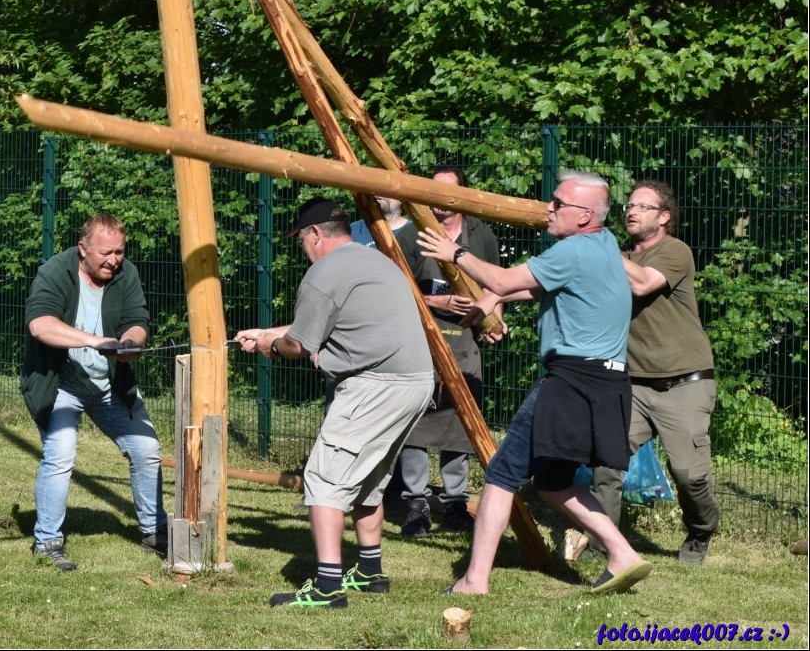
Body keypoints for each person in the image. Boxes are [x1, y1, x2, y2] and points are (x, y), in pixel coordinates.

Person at [417, 170, 653, 595]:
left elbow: (508, 279)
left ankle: (474, 580)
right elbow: (534, 287)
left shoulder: (574, 250)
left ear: (584, 215)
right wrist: (495, 298)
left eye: (558, 203)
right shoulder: (603, 246)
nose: (549, 208)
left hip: (572, 379)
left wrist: (456, 254)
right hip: (607, 380)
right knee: (552, 481)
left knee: (502, 474)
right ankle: (623, 554)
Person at [235, 196, 434, 608]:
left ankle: (328, 588)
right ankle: (369, 571)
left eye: (301, 240)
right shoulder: (374, 261)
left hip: (375, 385)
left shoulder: (323, 273)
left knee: (324, 480)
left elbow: (298, 343)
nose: (303, 249)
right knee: (368, 480)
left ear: (314, 234)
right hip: (416, 382)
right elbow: (317, 324)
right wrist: (266, 332)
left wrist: (272, 346)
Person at [572, 180, 719, 564]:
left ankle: (701, 531)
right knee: (607, 462)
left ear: (664, 217)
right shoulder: (617, 255)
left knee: (689, 475)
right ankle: (603, 543)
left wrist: (598, 243)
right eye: (629, 205)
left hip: (685, 382)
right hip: (632, 384)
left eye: (643, 206)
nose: (631, 211)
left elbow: (642, 285)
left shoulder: (674, 251)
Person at [21, 213, 168, 571]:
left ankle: (155, 532)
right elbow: (40, 325)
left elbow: (138, 321)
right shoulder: (55, 272)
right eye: (106, 253)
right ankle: (48, 543)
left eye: (120, 251)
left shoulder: (125, 273)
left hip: (110, 387)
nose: (114, 260)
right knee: (61, 453)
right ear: (82, 248)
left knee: (147, 449)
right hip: (60, 385)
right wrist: (97, 342)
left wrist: (131, 343)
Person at [393, 166, 506, 536]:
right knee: (416, 421)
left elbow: (496, 284)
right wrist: (435, 300)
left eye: (445, 193)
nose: (437, 201)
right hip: (421, 339)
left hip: (465, 342)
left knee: (461, 423)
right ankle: (416, 504)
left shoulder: (481, 234)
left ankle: (456, 504)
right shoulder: (413, 234)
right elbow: (394, 289)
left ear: (461, 195)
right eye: (431, 192)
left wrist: (494, 317)